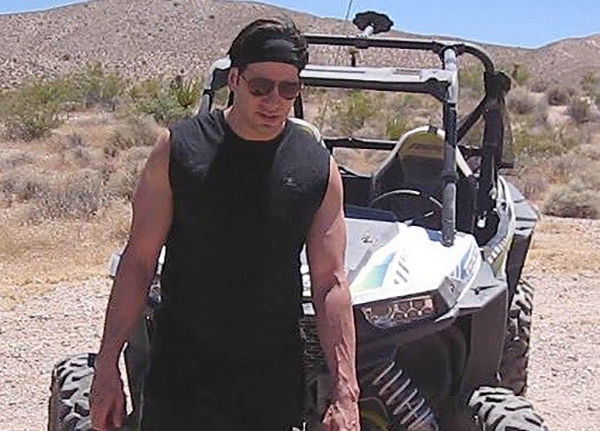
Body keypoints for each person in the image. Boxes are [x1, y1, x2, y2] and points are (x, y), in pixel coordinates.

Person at [90, 17, 360, 431]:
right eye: (261, 87)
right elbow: (139, 261)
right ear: (234, 79)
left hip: (268, 385)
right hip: (181, 379)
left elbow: (331, 283)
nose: (275, 101)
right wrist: (107, 365)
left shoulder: (316, 167)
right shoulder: (180, 149)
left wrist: (346, 391)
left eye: (288, 89)